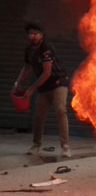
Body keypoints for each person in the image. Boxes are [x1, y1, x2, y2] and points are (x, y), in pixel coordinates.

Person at [13, 24, 71, 157]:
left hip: (58, 83)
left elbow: (47, 73)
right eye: (30, 33)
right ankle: (36, 145)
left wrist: (31, 89)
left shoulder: (46, 48)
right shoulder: (29, 50)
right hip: (44, 87)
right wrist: (17, 83)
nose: (32, 36)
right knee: (39, 116)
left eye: (35, 33)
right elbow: (27, 68)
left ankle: (65, 147)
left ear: (41, 35)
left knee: (60, 110)